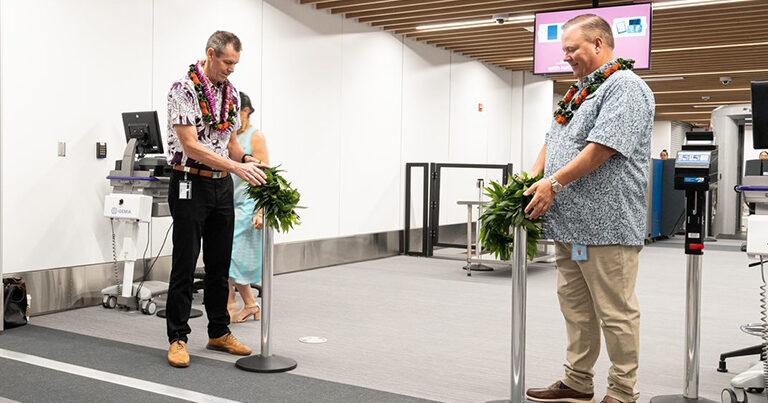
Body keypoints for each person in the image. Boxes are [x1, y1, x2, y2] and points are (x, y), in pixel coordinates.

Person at [522, 14, 654, 403]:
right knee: (576, 309)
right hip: (569, 222)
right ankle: (578, 381)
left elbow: (602, 148)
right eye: (563, 51)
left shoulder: (626, 87)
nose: (567, 57)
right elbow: (553, 137)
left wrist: (555, 182)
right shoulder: (577, 92)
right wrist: (532, 178)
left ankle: (622, 391)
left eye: (572, 49)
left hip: (608, 224)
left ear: (598, 43)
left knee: (616, 313)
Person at [165, 31, 268, 368]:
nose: (232, 69)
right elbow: (191, 145)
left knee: (219, 264)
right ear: (210, 54)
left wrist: (246, 160)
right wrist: (235, 168)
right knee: (184, 262)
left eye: (236, 64)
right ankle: (178, 338)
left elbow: (231, 143)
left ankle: (218, 332)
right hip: (189, 183)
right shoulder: (183, 90)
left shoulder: (232, 94)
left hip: (221, 186)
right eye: (227, 62)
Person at [227, 91, 269, 323]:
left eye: (239, 113)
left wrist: (262, 210)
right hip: (229, 202)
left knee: (234, 256)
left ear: (247, 111)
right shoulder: (230, 137)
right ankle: (244, 304)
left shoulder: (255, 137)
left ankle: (243, 304)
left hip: (248, 204)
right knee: (227, 255)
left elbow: (265, 174)